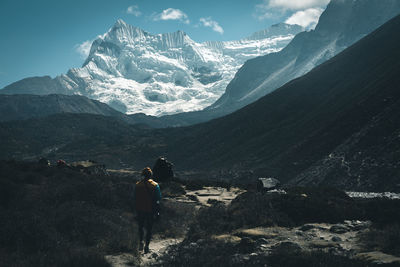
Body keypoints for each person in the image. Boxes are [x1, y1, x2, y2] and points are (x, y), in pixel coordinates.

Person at [135, 167, 161, 253]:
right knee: (149, 229)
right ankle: (147, 246)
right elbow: (158, 198)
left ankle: (141, 242)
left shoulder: (137, 185)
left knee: (140, 227)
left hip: (140, 209)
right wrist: (157, 211)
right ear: (151, 175)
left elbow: (134, 198)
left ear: (143, 175)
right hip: (150, 210)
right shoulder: (155, 185)